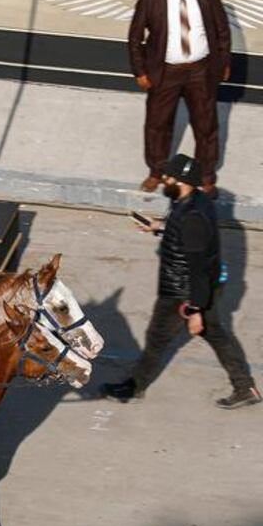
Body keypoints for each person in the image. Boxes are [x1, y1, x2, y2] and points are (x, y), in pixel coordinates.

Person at [102, 154, 259, 409]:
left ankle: (134, 387)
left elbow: (197, 267)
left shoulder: (192, 217)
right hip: (201, 287)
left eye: (168, 176)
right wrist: (159, 227)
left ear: (182, 181)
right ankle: (244, 387)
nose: (164, 180)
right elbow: (185, 234)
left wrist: (195, 310)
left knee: (157, 338)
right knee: (216, 335)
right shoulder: (193, 201)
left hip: (182, 292)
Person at [129, 0, 231, 194]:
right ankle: (156, 171)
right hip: (165, 72)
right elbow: (135, 37)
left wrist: (224, 62)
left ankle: (206, 175)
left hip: (200, 70)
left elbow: (221, 28)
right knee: (157, 124)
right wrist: (140, 71)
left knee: (206, 124)